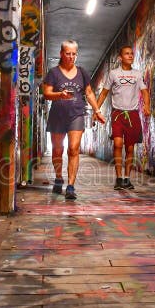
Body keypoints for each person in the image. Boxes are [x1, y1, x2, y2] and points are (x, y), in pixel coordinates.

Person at [42, 39, 105, 199]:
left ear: (76, 55)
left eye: (74, 54)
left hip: (76, 114)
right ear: (61, 54)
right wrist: (59, 94)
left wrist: (97, 110)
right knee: (57, 150)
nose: (71, 57)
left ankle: (70, 186)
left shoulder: (82, 72)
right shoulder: (53, 73)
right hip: (57, 115)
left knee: (73, 148)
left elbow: (89, 92)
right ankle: (58, 177)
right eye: (68, 53)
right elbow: (47, 93)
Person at [96, 45, 150, 190]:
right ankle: (119, 178)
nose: (130, 56)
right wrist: (96, 109)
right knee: (118, 144)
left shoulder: (138, 74)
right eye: (127, 54)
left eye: (131, 53)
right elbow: (104, 93)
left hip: (132, 114)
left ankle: (127, 178)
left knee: (130, 148)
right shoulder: (113, 74)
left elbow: (144, 92)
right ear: (120, 57)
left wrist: (146, 106)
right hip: (117, 114)